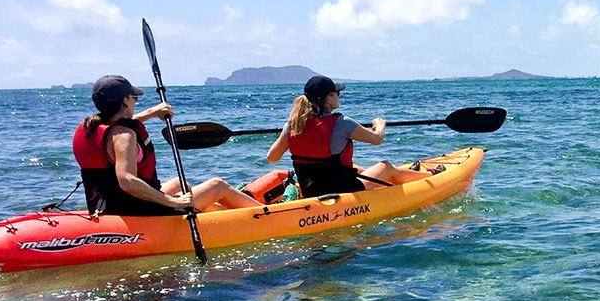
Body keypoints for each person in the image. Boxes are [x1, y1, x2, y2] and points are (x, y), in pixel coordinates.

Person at [73, 75, 259, 216]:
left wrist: (153, 113)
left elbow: (119, 126)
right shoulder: (124, 137)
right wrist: (172, 202)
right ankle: (272, 214)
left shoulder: (88, 128)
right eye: (134, 99)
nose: (135, 103)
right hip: (134, 210)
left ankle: (221, 216)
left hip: (104, 204)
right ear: (125, 101)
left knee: (181, 183)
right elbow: (127, 181)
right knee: (218, 185)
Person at [267, 75, 440, 198]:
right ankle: (432, 177)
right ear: (328, 99)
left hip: (311, 192)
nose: (339, 96)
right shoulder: (342, 123)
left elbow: (272, 158)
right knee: (385, 167)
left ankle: (408, 173)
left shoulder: (292, 126)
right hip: (345, 190)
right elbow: (377, 139)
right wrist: (379, 126)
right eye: (337, 93)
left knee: (350, 166)